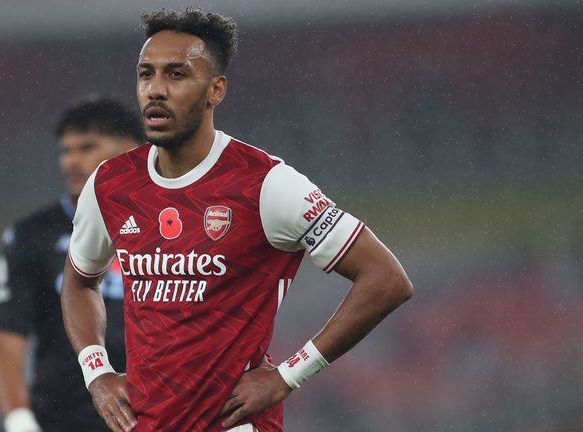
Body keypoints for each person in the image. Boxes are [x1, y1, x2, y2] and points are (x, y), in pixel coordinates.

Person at [61, 8, 414, 432]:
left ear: (215, 90)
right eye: (145, 74)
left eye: (176, 75)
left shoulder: (267, 185)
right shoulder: (111, 184)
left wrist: (287, 376)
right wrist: (96, 372)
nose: (155, 90)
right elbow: (80, 280)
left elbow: (386, 279)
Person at [0, 97, 144, 432]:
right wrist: (19, 421)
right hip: (63, 420)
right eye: (65, 150)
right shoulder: (33, 235)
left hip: (163, 416)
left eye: (87, 147)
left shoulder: (170, 225)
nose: (72, 161)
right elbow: (7, 338)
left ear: (132, 149)